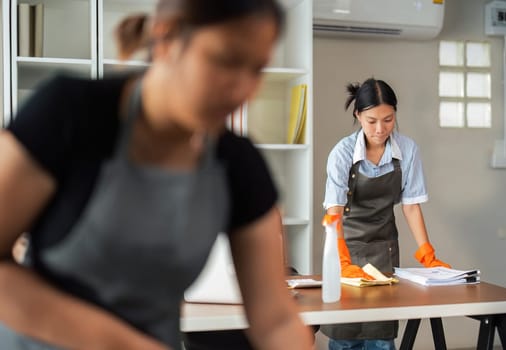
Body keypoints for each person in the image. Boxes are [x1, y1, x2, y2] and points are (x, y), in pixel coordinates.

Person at [0, 1, 314, 349]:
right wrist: (122, 344)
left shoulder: (236, 164)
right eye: (226, 61)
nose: (243, 90)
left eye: (257, 70)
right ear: (167, 39)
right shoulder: (69, 114)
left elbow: (275, 320)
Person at [321, 78, 451, 350]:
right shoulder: (342, 153)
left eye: (388, 119)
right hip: (347, 250)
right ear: (358, 116)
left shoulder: (408, 150)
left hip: (384, 252)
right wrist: (342, 260)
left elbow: (411, 205)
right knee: (345, 335)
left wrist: (428, 254)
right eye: (371, 121)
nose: (380, 129)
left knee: (381, 336)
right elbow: (334, 212)